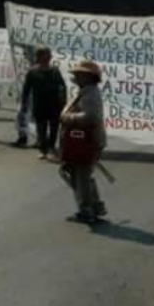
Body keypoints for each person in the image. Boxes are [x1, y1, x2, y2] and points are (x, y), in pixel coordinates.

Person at [59, 60, 107, 223]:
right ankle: (95, 206)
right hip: (86, 142)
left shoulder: (90, 94)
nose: (76, 77)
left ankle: (87, 210)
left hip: (86, 142)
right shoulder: (87, 91)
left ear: (88, 77)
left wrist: (68, 117)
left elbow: (90, 117)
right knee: (83, 176)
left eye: (79, 74)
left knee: (81, 177)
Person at [20, 46, 68, 159]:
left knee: (54, 127)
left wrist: (64, 99)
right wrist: (24, 102)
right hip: (39, 104)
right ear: (40, 57)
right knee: (41, 128)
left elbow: (62, 85)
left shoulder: (55, 71)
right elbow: (26, 88)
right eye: (47, 54)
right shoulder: (32, 72)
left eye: (50, 54)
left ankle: (51, 146)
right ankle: (43, 149)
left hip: (55, 104)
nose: (50, 57)